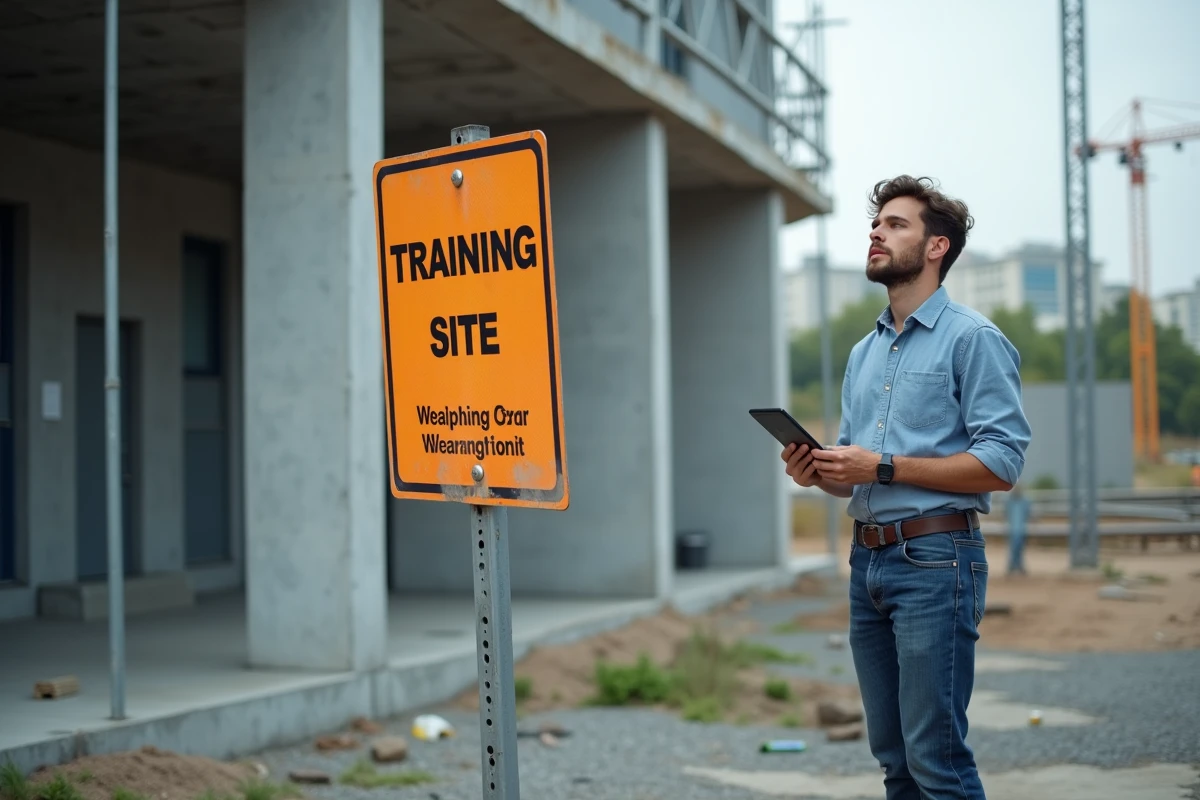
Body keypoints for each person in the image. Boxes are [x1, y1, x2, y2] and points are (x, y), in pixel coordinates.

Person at [781, 175, 1031, 799]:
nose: (877, 233)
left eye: (896, 225)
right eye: (876, 224)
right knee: (894, 760)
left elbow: (1002, 463)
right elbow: (859, 472)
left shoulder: (974, 339)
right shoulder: (862, 354)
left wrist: (882, 466)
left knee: (936, 760)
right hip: (867, 561)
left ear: (937, 246)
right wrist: (821, 472)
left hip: (935, 561)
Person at [1005, 482, 1032, 575]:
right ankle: (1015, 566)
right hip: (1013, 529)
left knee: (1018, 548)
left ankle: (1015, 566)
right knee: (1015, 548)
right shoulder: (1010, 502)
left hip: (1021, 529)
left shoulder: (1024, 502)